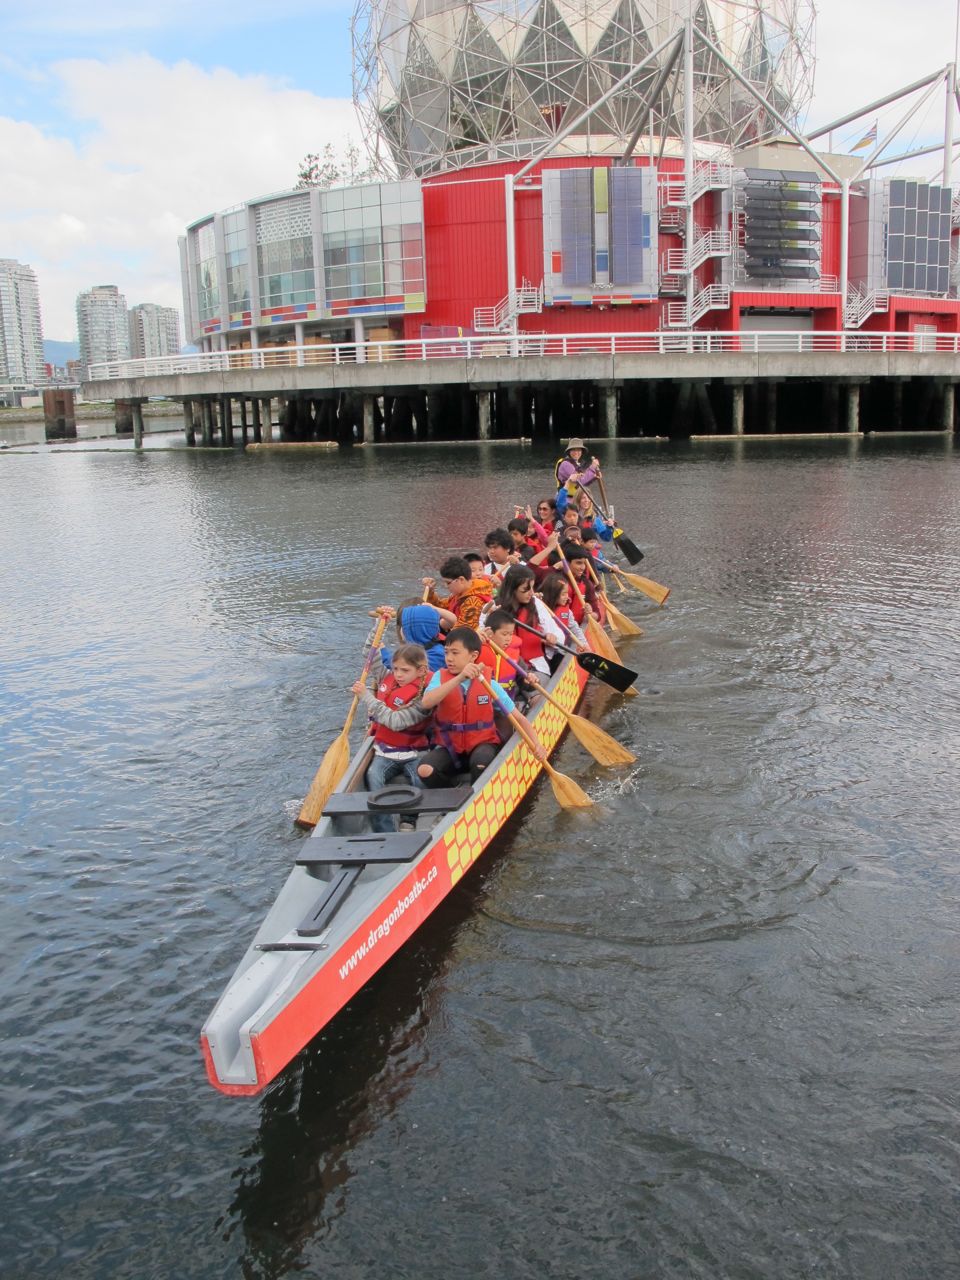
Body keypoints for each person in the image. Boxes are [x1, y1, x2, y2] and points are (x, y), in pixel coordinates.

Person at [418, 626, 545, 787]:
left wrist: (537, 744)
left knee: (480, 764)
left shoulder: (488, 683)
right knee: (424, 770)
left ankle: (477, 793)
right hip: (450, 746)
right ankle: (453, 791)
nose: (449, 658)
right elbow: (426, 702)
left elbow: (518, 718)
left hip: (482, 743)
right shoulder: (439, 677)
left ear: (473, 656)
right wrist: (459, 678)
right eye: (446, 652)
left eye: (455, 653)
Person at [352, 643, 431, 833]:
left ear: (421, 671)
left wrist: (367, 697)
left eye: (405, 670)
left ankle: (409, 820)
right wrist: (377, 631)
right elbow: (370, 654)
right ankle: (384, 829)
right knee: (373, 777)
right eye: (395, 669)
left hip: (414, 752)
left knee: (419, 780)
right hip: (385, 752)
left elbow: (396, 722)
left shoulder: (425, 696)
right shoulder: (387, 678)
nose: (398, 675)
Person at [490, 563, 564, 674]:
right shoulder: (493, 607)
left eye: (532, 587)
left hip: (535, 667)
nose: (531, 593)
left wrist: (553, 637)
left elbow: (558, 635)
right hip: (504, 668)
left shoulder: (536, 604)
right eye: (525, 589)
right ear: (512, 589)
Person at [423, 556, 494, 631]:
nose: (446, 586)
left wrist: (443, 624)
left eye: (448, 583)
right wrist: (430, 592)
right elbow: (442, 606)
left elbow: (463, 632)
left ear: (461, 580)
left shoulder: (473, 601)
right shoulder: (461, 593)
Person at [538, 571, 588, 650]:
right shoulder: (539, 608)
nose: (567, 597)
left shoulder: (567, 612)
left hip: (559, 649)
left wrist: (584, 644)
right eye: (563, 594)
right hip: (545, 650)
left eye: (567, 593)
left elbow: (575, 629)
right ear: (553, 594)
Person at [554, 437, 601, 508]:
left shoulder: (577, 464)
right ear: (569, 451)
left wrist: (594, 477)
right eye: (573, 450)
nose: (576, 452)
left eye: (579, 450)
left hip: (575, 500)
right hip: (565, 501)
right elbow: (580, 481)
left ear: (581, 452)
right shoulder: (565, 464)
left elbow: (582, 484)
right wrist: (592, 467)